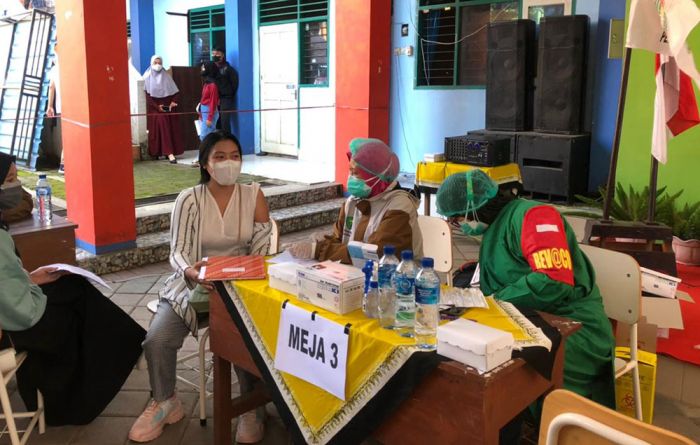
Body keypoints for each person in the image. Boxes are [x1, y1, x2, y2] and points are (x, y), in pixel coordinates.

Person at [129, 130, 272, 443]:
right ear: (206, 164)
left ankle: (251, 406)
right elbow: (178, 251)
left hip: (240, 287)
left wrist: (242, 277)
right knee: (157, 338)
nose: (228, 163)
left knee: (245, 339)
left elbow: (263, 246)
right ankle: (166, 401)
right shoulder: (189, 199)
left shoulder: (253, 195)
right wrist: (191, 273)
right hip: (192, 284)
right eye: (219, 157)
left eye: (234, 156)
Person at [436, 170, 616, 408]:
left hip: (571, 325)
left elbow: (553, 280)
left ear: (475, 207)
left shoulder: (536, 217)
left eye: (457, 219)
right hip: (524, 315)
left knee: (503, 373)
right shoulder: (496, 225)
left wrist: (494, 301)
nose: (456, 225)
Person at [0, 152, 146, 426]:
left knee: (70, 285)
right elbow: (18, 308)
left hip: (13, 311)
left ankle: (130, 342)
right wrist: (29, 286)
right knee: (78, 299)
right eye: (9, 180)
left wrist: (29, 279)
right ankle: (126, 348)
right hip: (15, 327)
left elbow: (6, 282)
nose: (16, 186)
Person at [288, 138, 423, 262]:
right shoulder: (353, 202)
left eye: (355, 173)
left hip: (397, 282)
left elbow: (374, 252)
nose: (351, 177)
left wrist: (317, 251)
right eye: (350, 171)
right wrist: (322, 241)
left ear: (376, 175)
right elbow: (339, 240)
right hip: (354, 278)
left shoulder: (399, 205)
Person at [143, 55, 182, 163]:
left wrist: (173, 102)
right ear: (151, 63)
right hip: (155, 110)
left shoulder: (166, 76)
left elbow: (176, 93)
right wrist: (157, 107)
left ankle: (167, 152)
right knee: (162, 123)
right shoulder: (147, 77)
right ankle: (168, 153)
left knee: (168, 126)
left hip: (168, 109)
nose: (157, 65)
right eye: (155, 62)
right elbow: (148, 97)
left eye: (159, 62)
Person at [211, 47, 239, 134]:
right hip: (214, 98)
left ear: (222, 55)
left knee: (225, 122)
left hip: (225, 99)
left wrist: (227, 94)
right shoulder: (211, 68)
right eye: (213, 54)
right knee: (214, 121)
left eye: (217, 54)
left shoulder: (228, 69)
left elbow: (234, 84)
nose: (215, 56)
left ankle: (227, 141)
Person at [197, 61, 220, 141]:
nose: (202, 69)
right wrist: (200, 113)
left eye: (203, 67)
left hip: (210, 111)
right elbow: (203, 99)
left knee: (205, 136)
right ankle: (205, 153)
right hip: (204, 111)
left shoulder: (213, 85)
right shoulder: (207, 83)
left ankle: (204, 153)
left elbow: (213, 102)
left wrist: (210, 118)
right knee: (205, 136)